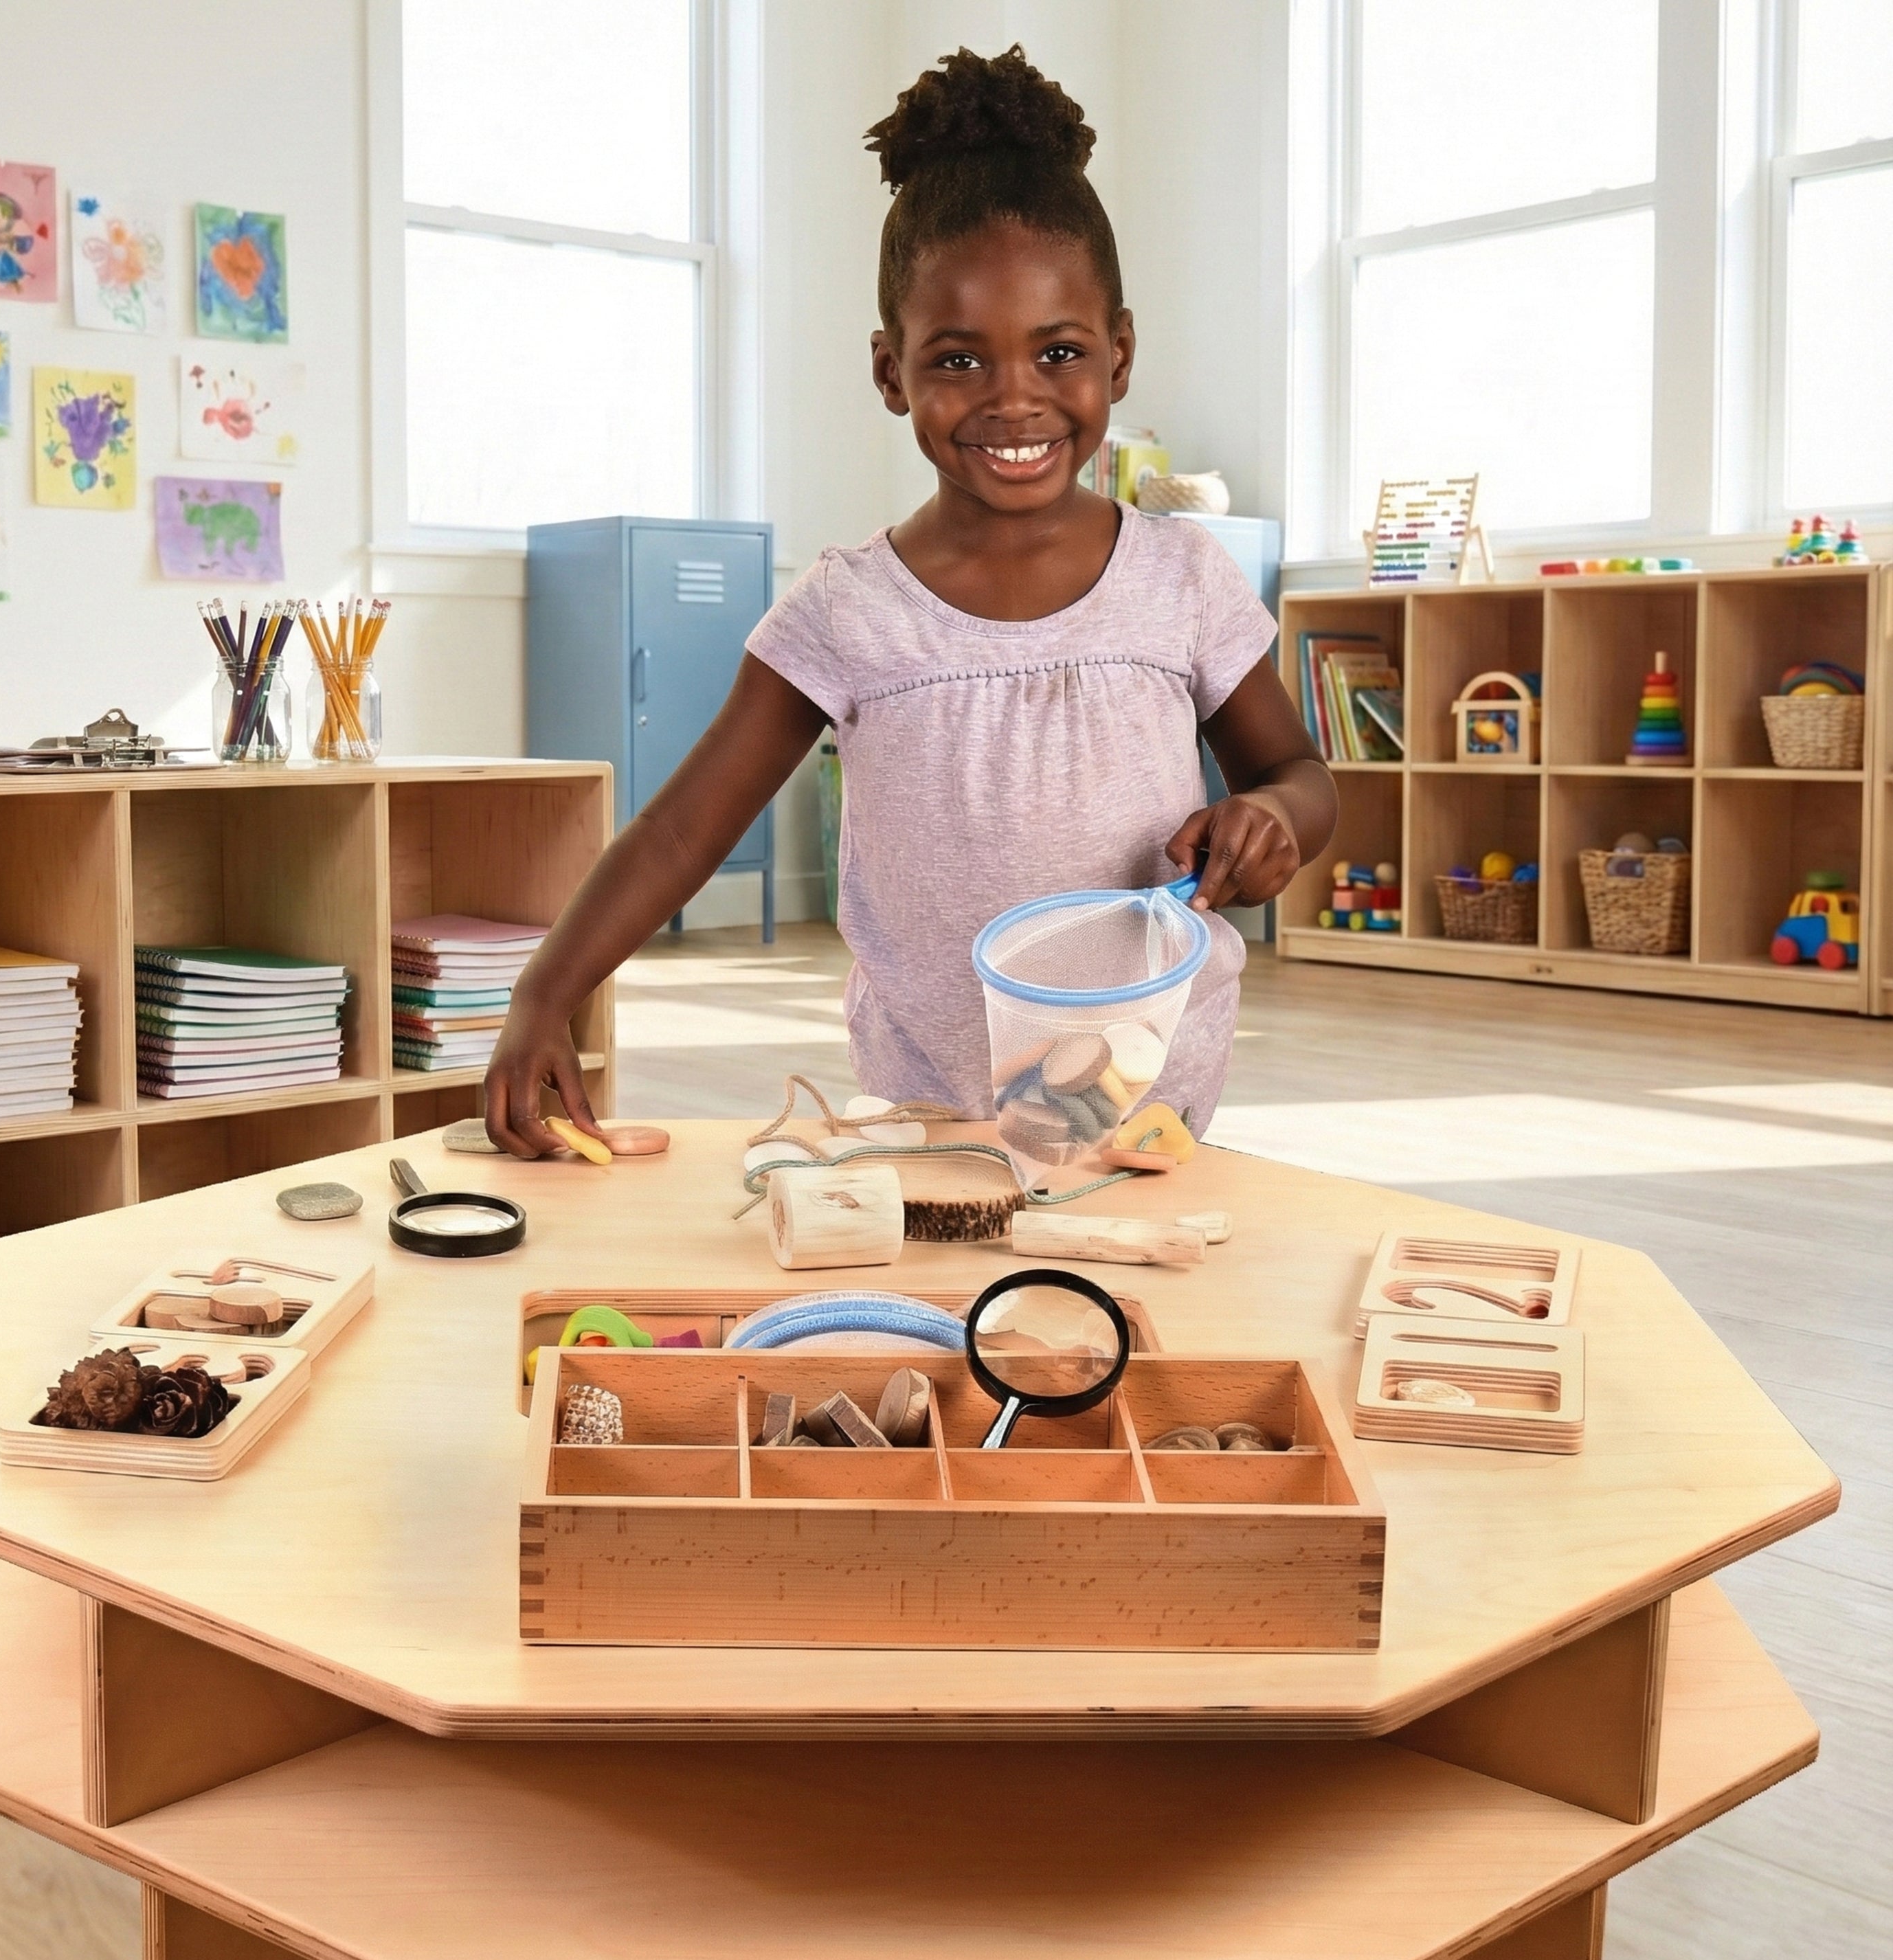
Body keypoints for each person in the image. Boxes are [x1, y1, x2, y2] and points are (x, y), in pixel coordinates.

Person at [486, 43, 1335, 1159]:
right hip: (926, 1102)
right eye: (958, 362)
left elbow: (1303, 778)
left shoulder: (1181, 578)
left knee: (1123, 1314)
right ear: (891, 372)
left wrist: (1271, 821)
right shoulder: (847, 611)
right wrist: (545, 991)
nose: (1015, 398)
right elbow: (686, 825)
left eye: (1060, 350)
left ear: (1119, 355)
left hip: (1152, 1083)